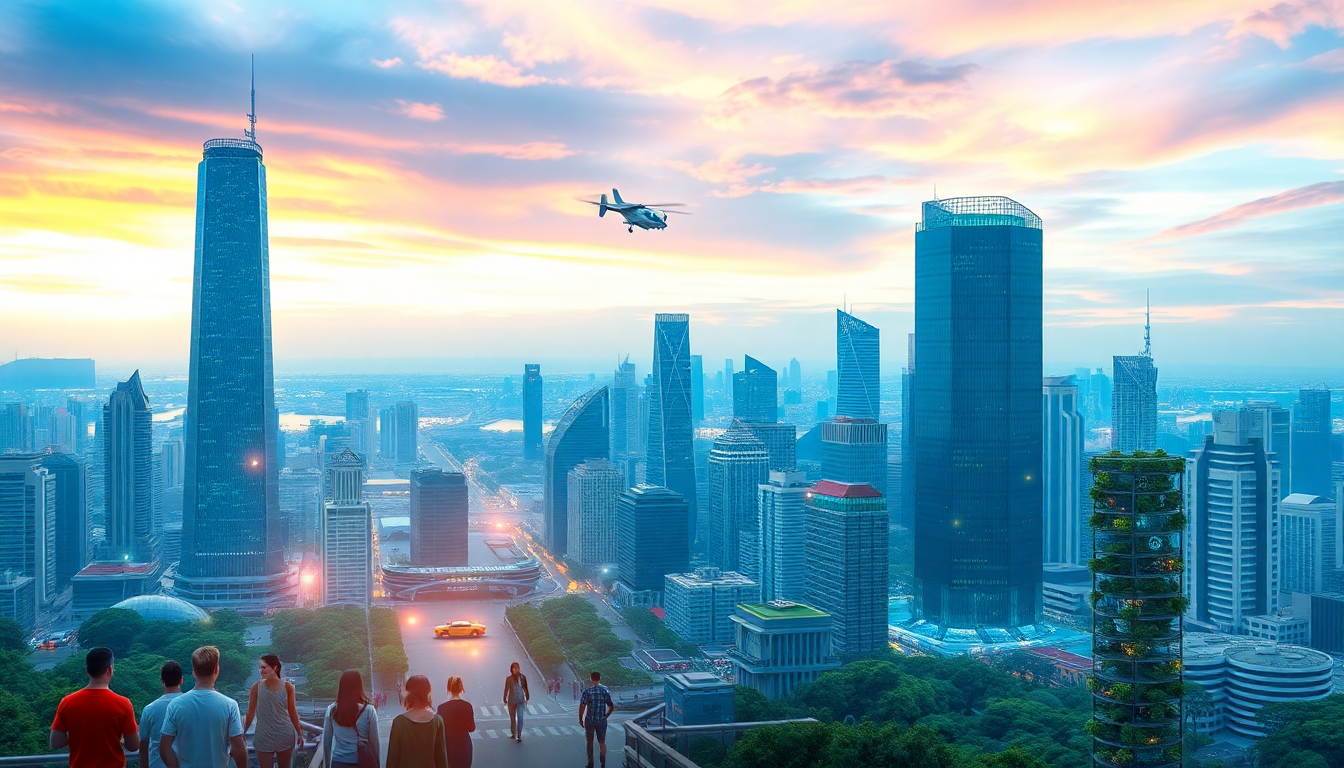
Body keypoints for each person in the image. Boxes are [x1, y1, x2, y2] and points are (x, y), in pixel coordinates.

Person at [49, 646, 140, 767]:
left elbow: (55, 743)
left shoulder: (68, 702)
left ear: (88, 671)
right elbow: (133, 746)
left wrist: (80, 732)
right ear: (109, 670)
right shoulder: (123, 703)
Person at [161, 646, 247, 768]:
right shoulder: (230, 705)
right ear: (216, 669)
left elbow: (164, 748)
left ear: (194, 671)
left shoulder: (176, 705)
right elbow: (238, 747)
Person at [244, 655, 304, 768]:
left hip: (284, 734)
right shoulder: (256, 688)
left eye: (264, 667)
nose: (260, 670)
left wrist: (299, 733)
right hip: (264, 735)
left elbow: (292, 713)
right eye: (260, 667)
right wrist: (243, 732)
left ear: (275, 668)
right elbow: (250, 713)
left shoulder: (288, 687)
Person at [385, 675, 447, 768]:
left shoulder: (399, 722)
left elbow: (392, 760)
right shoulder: (437, 721)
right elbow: (441, 759)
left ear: (409, 693)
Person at [322, 670, 380, 768]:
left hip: (339, 762)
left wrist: (327, 764)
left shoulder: (332, 710)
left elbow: (327, 741)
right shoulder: (369, 710)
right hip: (363, 762)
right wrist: (377, 763)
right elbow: (375, 742)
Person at [139, 661, 184, 768]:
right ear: (181, 680)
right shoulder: (191, 706)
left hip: (157, 764)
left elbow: (143, 744)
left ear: (162, 681)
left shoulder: (149, 709)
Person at [435, 676, 475, 768]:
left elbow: (438, 729)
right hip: (464, 745)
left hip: (448, 746)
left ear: (448, 688)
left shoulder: (442, 708)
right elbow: (472, 728)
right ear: (461, 688)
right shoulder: (467, 706)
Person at [578, 671, 614, 768]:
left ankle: (590, 763)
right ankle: (603, 763)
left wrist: (580, 719)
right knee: (602, 742)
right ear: (599, 678)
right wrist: (606, 716)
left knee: (589, 742)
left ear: (591, 678)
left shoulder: (587, 691)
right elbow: (611, 706)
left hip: (590, 720)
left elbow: (582, 706)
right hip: (601, 721)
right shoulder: (605, 691)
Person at [502, 662, 529, 742]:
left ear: (519, 669)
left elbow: (525, 688)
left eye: (516, 668)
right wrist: (504, 697)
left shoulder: (523, 677)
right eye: (513, 668)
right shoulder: (509, 679)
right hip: (512, 701)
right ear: (511, 669)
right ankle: (514, 733)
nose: (515, 670)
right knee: (512, 718)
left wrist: (527, 696)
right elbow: (506, 689)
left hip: (521, 701)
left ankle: (519, 735)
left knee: (520, 718)